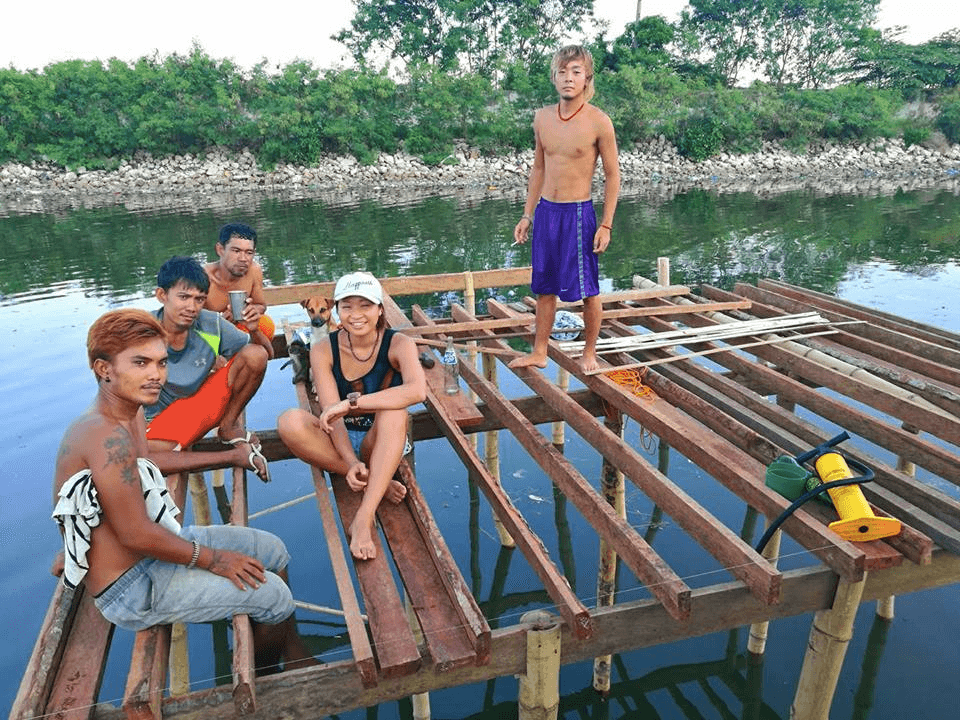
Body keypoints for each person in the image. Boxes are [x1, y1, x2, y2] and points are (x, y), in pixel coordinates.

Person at [52, 309, 313, 672]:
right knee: (273, 595)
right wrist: (215, 560)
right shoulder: (104, 436)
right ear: (104, 368)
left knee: (272, 550)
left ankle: (290, 648)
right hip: (130, 586)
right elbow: (135, 534)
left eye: (160, 363)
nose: (155, 374)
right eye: (140, 362)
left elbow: (148, 465)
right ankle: (268, 675)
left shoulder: (129, 413)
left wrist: (230, 458)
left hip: (153, 546)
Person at [278, 272, 426, 560]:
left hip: (383, 438)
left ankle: (363, 517)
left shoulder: (400, 344)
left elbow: (417, 391)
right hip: (340, 440)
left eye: (365, 306)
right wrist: (350, 462)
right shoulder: (323, 348)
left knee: (395, 410)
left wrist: (351, 405)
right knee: (289, 421)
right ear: (337, 311)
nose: (356, 315)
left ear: (380, 309)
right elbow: (331, 415)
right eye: (347, 306)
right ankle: (376, 484)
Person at [508, 45, 621, 373]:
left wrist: (607, 224)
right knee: (544, 287)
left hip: (577, 214)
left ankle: (589, 352)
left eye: (575, 72)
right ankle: (539, 351)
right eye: (562, 71)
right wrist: (527, 214)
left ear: (587, 77)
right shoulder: (542, 117)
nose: (568, 78)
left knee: (587, 290)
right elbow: (538, 169)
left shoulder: (599, 121)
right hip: (546, 212)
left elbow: (613, 176)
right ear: (554, 77)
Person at [146, 255, 271, 508]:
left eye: (199, 299)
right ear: (162, 295)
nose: (192, 307)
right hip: (157, 422)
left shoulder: (210, 323)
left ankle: (228, 428)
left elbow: (264, 353)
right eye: (184, 297)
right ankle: (232, 456)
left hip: (200, 406)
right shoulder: (141, 331)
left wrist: (255, 328)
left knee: (254, 355)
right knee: (146, 454)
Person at [203, 222, 275, 359]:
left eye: (249, 253)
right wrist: (219, 322)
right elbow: (191, 323)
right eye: (236, 251)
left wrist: (251, 311)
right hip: (211, 336)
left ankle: (250, 363)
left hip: (241, 328)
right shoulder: (204, 278)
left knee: (265, 324)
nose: (243, 259)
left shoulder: (254, 271)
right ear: (220, 250)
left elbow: (261, 305)